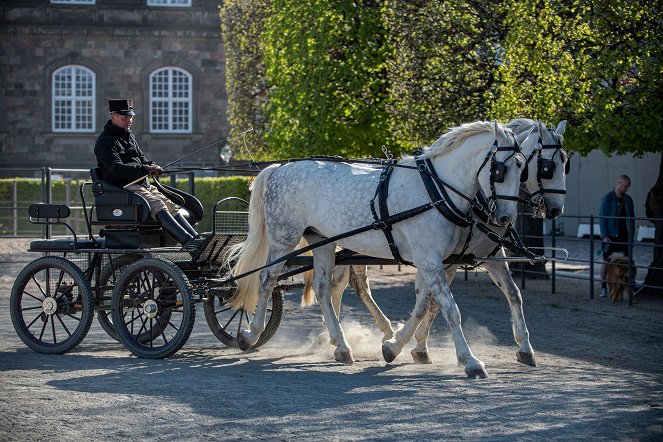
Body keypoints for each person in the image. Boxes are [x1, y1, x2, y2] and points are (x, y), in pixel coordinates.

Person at [94, 99, 205, 253]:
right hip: (124, 188)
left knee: (170, 205)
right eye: (124, 118)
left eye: (130, 117)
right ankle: (188, 244)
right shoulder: (105, 141)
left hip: (142, 184)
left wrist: (152, 166)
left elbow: (141, 158)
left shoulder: (129, 136)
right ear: (113, 116)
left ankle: (197, 241)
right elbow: (116, 169)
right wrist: (144, 169)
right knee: (157, 205)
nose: (129, 121)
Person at [598, 175, 635, 297]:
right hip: (611, 236)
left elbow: (632, 220)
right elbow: (602, 218)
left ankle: (628, 286)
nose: (627, 189)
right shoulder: (607, 199)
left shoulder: (628, 200)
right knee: (607, 261)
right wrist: (604, 236)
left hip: (624, 236)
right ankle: (603, 287)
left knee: (627, 261)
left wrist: (631, 237)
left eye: (628, 187)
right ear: (619, 183)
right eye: (625, 186)